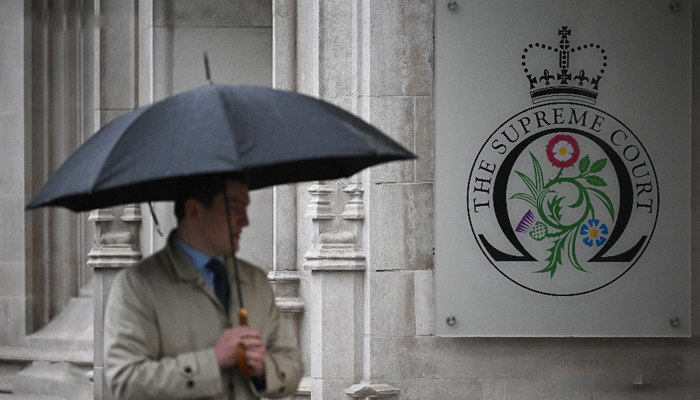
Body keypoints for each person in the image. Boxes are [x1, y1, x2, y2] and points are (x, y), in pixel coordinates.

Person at [103, 174, 303, 400]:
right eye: (235, 208)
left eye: (246, 208)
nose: (245, 220)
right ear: (193, 211)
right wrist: (212, 361)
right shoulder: (137, 286)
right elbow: (125, 381)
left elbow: (292, 363)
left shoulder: (255, 281)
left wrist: (263, 368)